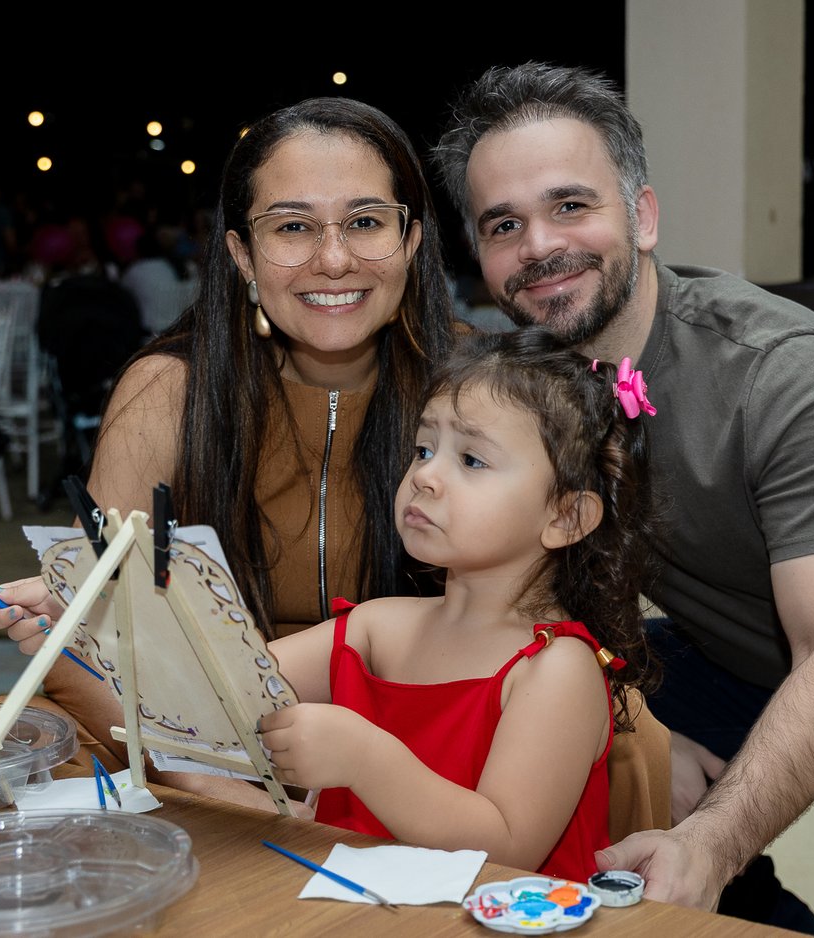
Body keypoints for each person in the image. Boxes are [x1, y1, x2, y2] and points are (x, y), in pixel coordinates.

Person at [432, 62, 814, 936]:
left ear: (644, 216)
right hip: (732, 656)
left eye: (570, 205)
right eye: (504, 224)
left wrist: (716, 839)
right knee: (526, 734)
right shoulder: (523, 390)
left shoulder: (783, 373)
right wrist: (630, 725)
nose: (539, 245)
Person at [0, 96, 669, 833]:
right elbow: (86, 641)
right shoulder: (170, 393)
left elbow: (558, 608)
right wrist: (212, 780)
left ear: (411, 239)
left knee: (638, 745)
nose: (334, 260)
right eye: (293, 227)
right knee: (10, 744)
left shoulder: (471, 389)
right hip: (193, 730)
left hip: (431, 754)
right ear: (242, 253)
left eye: (366, 222)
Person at [259, 327, 657, 879]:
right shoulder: (376, 628)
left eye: (471, 460)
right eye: (424, 449)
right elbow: (235, 686)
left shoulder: (557, 669)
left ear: (566, 517)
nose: (424, 475)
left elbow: (507, 848)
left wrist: (365, 759)